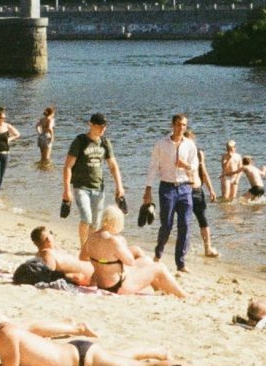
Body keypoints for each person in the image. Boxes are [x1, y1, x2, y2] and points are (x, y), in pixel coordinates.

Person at [0, 320, 225, 366]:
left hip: (83, 358)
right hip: (78, 353)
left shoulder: (5, 336)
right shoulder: (5, 329)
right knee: (120, 357)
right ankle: (156, 350)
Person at [81, 205, 187, 298]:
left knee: (147, 260)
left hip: (102, 284)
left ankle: (159, 289)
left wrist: (103, 261)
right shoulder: (113, 240)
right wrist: (122, 243)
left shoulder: (91, 237)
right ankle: (184, 295)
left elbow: (82, 257)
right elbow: (130, 262)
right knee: (160, 267)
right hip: (118, 286)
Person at [142, 114, 199, 273]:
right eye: (179, 124)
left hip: (185, 188)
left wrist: (186, 165)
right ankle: (158, 253)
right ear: (173, 125)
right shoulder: (161, 144)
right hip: (167, 188)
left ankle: (180, 263)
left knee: (185, 225)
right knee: (166, 224)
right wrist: (148, 189)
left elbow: (195, 165)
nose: (181, 128)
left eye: (184, 125)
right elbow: (153, 166)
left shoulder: (190, 145)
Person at [60, 112, 126, 248]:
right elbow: (68, 166)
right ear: (90, 125)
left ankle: (90, 248)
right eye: (100, 126)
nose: (103, 129)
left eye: (105, 126)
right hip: (80, 187)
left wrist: (119, 186)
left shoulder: (105, 143)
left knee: (95, 223)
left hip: (98, 187)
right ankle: (83, 247)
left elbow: (113, 166)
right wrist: (66, 191)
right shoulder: (80, 141)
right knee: (86, 217)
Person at [14, 224, 93, 286]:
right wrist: (69, 276)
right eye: (51, 233)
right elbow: (47, 275)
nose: (53, 235)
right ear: (48, 239)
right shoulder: (47, 253)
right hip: (92, 275)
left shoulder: (44, 254)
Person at [185, 126, 220, 258]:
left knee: (201, 219)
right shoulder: (180, 151)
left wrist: (211, 190)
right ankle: (187, 248)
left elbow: (204, 173)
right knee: (188, 220)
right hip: (185, 190)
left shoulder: (198, 152)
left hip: (196, 190)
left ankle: (207, 248)